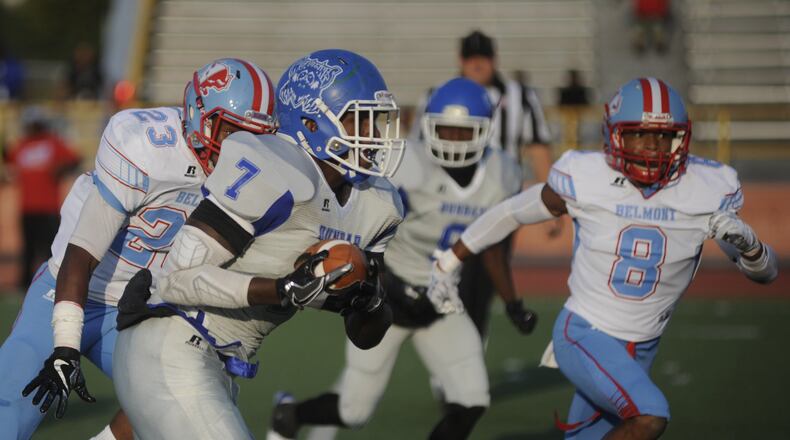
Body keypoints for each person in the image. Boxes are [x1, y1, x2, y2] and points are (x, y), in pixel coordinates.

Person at [428, 77, 778, 439]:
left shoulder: (704, 189)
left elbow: (765, 274)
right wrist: (449, 261)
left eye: (663, 137)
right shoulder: (589, 178)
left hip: (644, 344)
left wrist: (751, 247)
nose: (652, 149)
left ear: (681, 138)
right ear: (614, 136)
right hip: (585, 332)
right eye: (639, 135)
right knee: (649, 416)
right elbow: (511, 213)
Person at [110, 49, 405, 439]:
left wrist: (369, 300)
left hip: (216, 361)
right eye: (357, 120)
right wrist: (281, 289)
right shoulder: (277, 170)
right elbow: (174, 280)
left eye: (376, 122)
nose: (372, 135)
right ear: (312, 123)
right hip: (172, 338)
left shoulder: (377, 204)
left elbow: (366, 336)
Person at [0, 58, 276, 440]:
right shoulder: (146, 144)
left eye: (252, 135)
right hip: (70, 289)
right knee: (6, 415)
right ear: (200, 116)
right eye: (232, 131)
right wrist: (65, 347)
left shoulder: (251, 175)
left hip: (137, 309)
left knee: (191, 394)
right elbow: (81, 254)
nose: (240, 147)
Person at [268, 77, 538, 440]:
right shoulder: (409, 164)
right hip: (390, 298)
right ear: (429, 127)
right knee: (354, 410)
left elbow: (489, 245)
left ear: (484, 131)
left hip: (441, 301)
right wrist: (378, 285)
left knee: (472, 400)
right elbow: (370, 223)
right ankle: (290, 413)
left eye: (463, 132)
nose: (453, 140)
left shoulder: (501, 172)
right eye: (446, 130)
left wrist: (513, 303)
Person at [3, 106, 81, 289]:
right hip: (28, 207)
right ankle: (24, 285)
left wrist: (62, 169)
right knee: (28, 249)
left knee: (49, 249)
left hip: (48, 208)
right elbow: (9, 162)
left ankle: (50, 284)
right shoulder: (21, 145)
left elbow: (75, 159)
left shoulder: (53, 142)